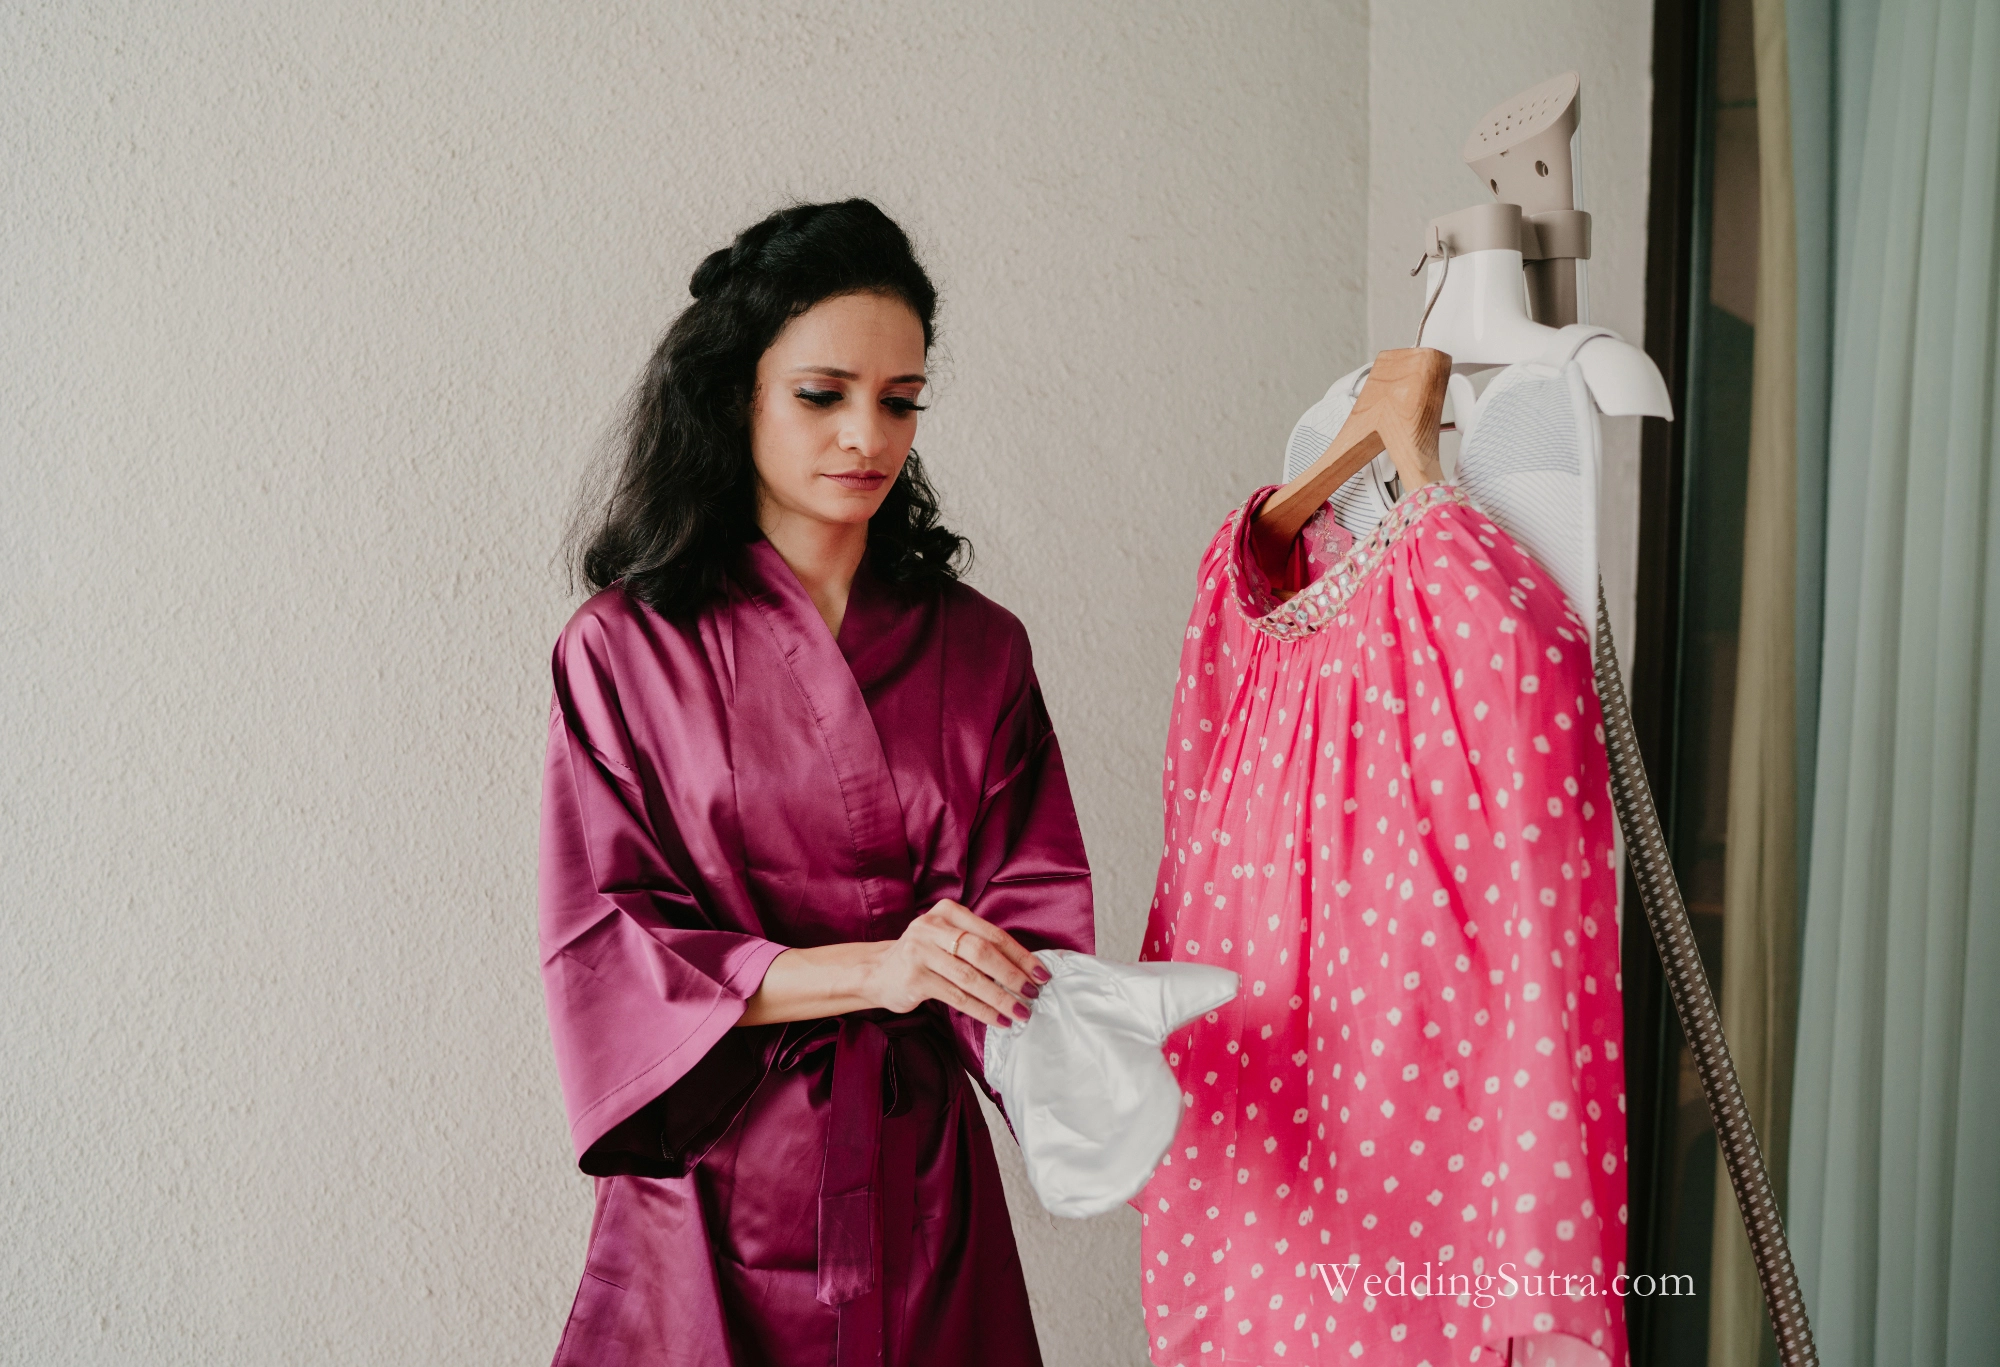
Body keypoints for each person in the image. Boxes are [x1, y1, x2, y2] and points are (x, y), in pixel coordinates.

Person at [538, 199, 1095, 1367]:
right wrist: (881, 967)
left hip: (919, 1180)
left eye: (899, 400)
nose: (864, 435)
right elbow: (615, 945)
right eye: (821, 393)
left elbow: (1031, 941)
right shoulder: (622, 650)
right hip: (710, 1185)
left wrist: (1110, 1060)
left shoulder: (980, 649)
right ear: (733, 392)